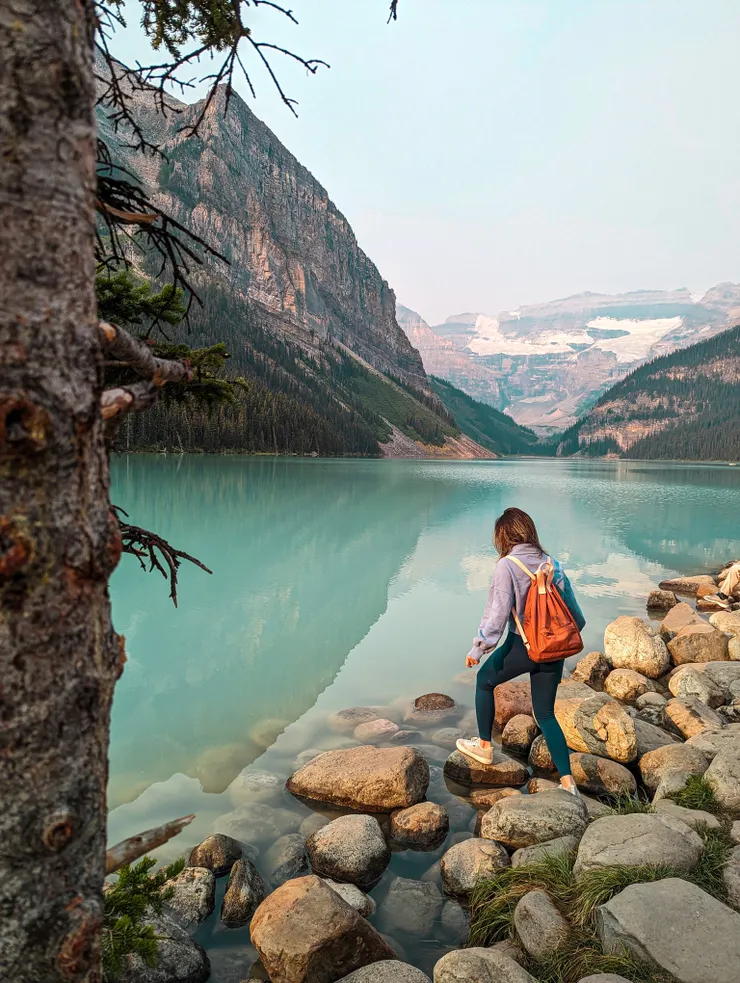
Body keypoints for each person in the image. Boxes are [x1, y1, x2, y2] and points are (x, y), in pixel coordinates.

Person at [456, 507, 586, 796]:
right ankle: (568, 784)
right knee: (546, 714)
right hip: (553, 648)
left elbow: (497, 614)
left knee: (484, 681)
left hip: (522, 646)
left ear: (504, 536)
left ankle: (485, 746)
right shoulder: (554, 564)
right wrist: (563, 637)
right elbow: (575, 615)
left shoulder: (507, 565)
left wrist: (478, 649)